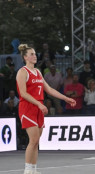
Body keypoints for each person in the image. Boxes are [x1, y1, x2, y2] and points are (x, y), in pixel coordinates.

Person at [16, 44, 76, 174]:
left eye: (35, 53)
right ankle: (27, 169)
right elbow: (23, 93)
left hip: (39, 107)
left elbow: (49, 89)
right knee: (33, 140)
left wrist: (65, 98)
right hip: (28, 107)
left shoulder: (37, 72)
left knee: (37, 141)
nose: (34, 56)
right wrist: (38, 104)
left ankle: (33, 169)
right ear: (25, 57)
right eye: (31, 54)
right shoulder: (22, 72)